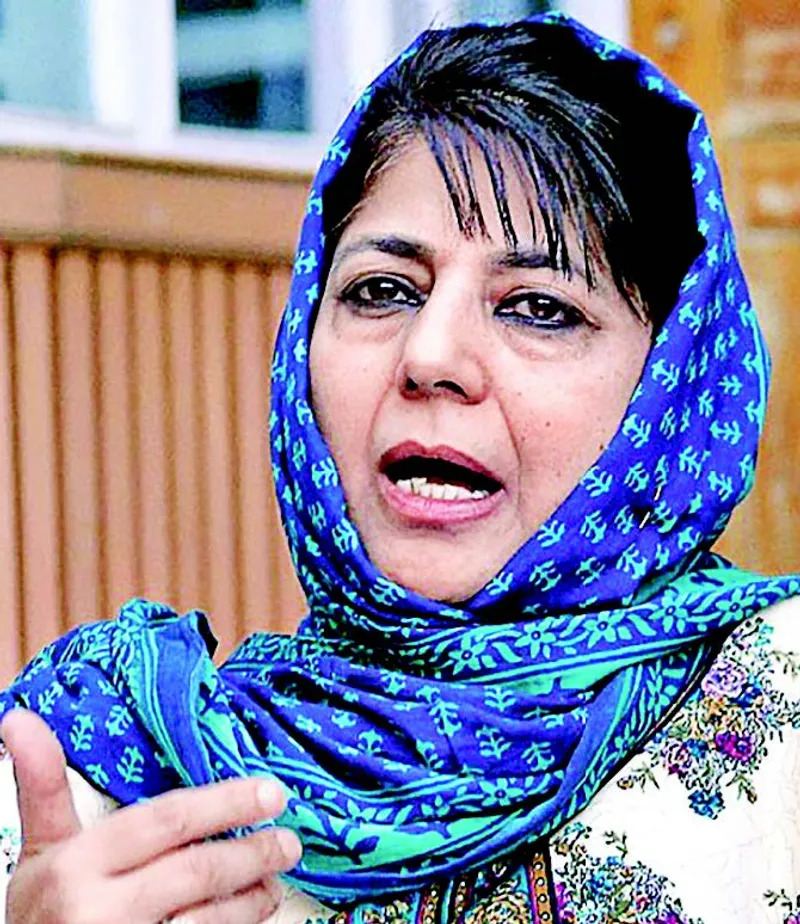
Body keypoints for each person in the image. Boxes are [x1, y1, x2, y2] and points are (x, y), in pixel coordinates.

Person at [0, 11, 798, 923]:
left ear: (672, 386)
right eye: (382, 291)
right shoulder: (96, 789)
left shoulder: (782, 716)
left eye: (538, 307)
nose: (430, 356)